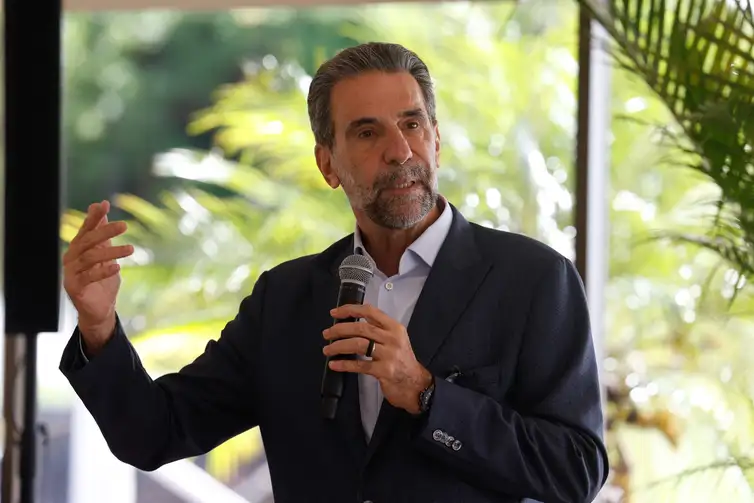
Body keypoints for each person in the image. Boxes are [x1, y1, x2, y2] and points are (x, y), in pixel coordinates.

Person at [59, 42, 609, 503]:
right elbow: (155, 433)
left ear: (436, 141)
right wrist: (99, 327)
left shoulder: (534, 280)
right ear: (328, 164)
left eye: (412, 124)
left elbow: (576, 469)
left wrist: (426, 395)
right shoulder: (285, 299)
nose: (399, 151)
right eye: (368, 133)